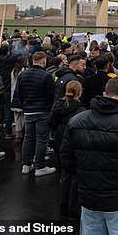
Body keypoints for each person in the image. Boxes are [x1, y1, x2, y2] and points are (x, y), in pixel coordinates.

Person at [60, 77, 118, 235]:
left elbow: (66, 160)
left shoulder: (77, 122)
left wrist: (84, 177)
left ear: (104, 93)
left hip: (89, 197)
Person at [12, 51, 56, 176]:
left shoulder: (23, 74)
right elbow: (51, 94)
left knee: (28, 138)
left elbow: (19, 92)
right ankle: (40, 166)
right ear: (43, 61)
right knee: (42, 139)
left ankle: (26, 164)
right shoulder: (46, 76)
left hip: (28, 110)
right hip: (43, 111)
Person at [48, 80, 85, 218]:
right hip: (73, 141)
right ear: (79, 92)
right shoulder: (81, 110)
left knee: (64, 174)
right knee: (74, 176)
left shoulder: (58, 105)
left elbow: (50, 122)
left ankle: (63, 207)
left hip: (59, 138)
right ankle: (73, 208)